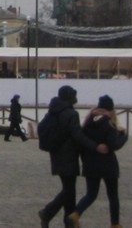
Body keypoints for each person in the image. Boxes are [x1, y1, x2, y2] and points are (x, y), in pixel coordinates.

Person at [39, 85, 107, 228]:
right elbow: (77, 135)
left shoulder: (54, 110)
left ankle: (68, 222)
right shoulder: (71, 114)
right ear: (70, 96)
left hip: (56, 153)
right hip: (68, 155)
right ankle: (47, 212)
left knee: (70, 190)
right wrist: (95, 146)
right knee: (68, 190)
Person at [68, 95, 126, 228]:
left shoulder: (88, 122)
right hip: (107, 164)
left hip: (90, 162)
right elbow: (113, 145)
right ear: (111, 109)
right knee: (113, 196)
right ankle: (115, 224)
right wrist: (123, 136)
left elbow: (82, 140)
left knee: (91, 194)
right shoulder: (108, 124)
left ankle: (75, 214)